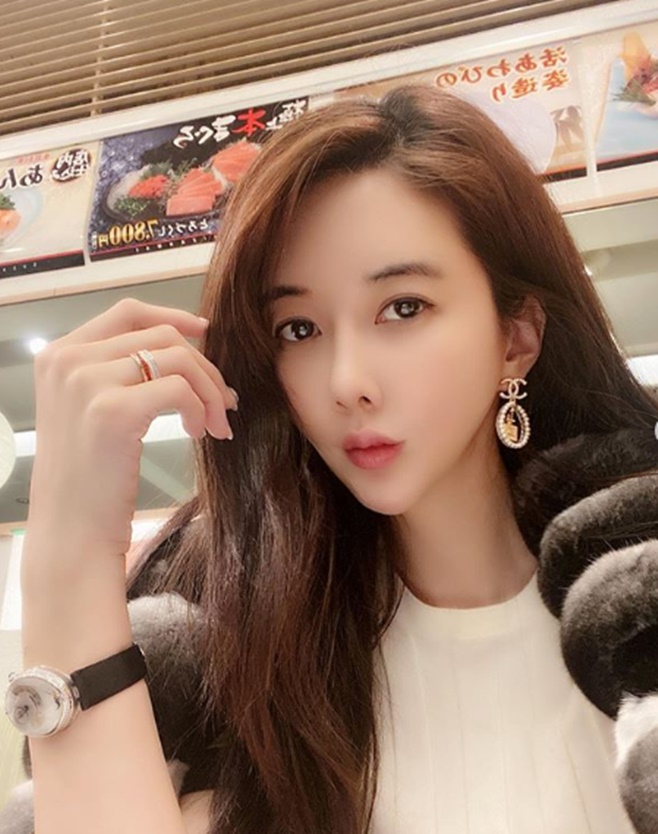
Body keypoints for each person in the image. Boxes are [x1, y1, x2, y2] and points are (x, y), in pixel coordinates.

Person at [10, 85, 658, 834]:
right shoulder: (234, 667)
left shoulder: (634, 613)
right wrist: (68, 554)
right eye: (299, 328)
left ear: (516, 338)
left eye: (403, 307)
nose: (347, 382)